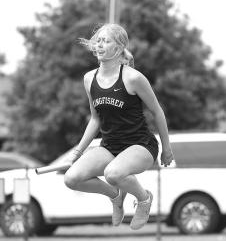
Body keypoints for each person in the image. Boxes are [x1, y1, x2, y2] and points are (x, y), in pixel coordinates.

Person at [64, 23, 174, 230]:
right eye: (98, 41)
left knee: (112, 173)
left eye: (106, 41)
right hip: (110, 146)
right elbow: (95, 119)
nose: (99, 45)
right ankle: (115, 196)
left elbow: (157, 112)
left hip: (140, 145)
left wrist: (167, 149)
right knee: (71, 179)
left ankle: (143, 199)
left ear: (119, 47)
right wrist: (77, 152)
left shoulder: (133, 78)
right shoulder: (89, 79)